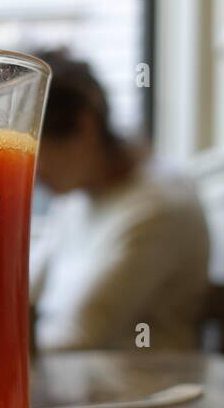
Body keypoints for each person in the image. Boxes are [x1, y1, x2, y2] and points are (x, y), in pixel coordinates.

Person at [29, 49, 210, 351]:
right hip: (80, 381)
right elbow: (27, 296)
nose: (32, 175)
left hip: (145, 386)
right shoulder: (75, 198)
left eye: (34, 148)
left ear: (83, 127)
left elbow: (81, 336)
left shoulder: (159, 207)